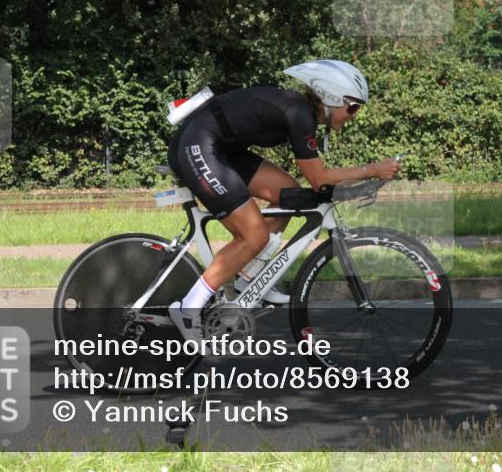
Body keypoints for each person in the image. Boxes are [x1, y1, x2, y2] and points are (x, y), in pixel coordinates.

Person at [166, 59, 401, 344]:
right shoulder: (298, 113)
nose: (354, 115)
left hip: (223, 148)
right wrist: (372, 169)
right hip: (199, 144)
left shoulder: (303, 113)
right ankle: (189, 307)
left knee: (290, 194)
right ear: (332, 97)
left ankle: (249, 279)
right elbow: (319, 178)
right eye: (352, 107)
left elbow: (313, 180)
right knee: (253, 235)